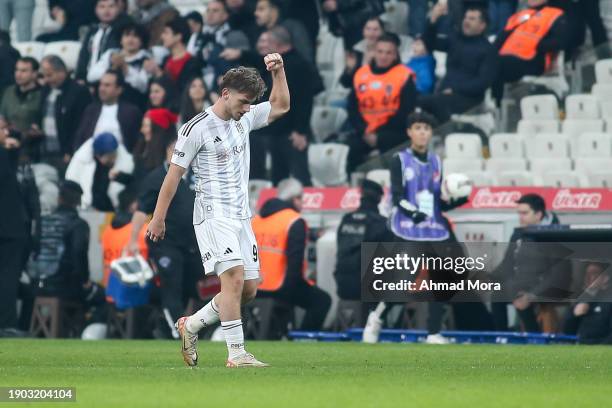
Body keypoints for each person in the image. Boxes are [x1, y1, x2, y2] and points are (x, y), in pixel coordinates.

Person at [146, 55, 290, 367]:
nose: (248, 108)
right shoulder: (195, 128)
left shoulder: (245, 118)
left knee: (248, 290)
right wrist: (158, 218)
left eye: (251, 103)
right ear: (225, 94)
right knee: (234, 279)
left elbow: (281, 106)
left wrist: (278, 72)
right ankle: (237, 354)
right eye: (244, 101)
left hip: (241, 215)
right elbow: (174, 175)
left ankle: (192, 325)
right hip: (213, 214)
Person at [363, 112, 490, 344]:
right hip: (407, 227)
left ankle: (433, 332)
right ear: (409, 132)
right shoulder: (399, 160)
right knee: (404, 280)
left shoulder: (436, 161)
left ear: (431, 133)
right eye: (418, 127)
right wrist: (413, 213)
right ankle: (376, 316)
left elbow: (436, 203)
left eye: (426, 128)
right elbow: (398, 196)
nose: (422, 132)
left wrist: (456, 201)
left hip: (435, 228)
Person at [126, 137, 201, 339]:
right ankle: (178, 333)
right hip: (166, 244)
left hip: (192, 245)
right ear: (169, 152)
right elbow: (142, 211)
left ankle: (163, 323)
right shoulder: (156, 178)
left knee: (190, 287)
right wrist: (132, 240)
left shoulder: (195, 177)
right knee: (172, 286)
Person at [237, 26, 317, 185]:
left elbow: (304, 101)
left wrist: (300, 131)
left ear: (277, 44)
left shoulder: (297, 65)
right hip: (276, 130)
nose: (265, 47)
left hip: (291, 133)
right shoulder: (276, 64)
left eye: (268, 43)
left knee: (299, 176)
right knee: (278, 176)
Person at [253, 178, 332, 332]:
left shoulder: (256, 220)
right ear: (294, 199)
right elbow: (294, 264)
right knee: (322, 301)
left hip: (253, 287)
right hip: (279, 286)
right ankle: (303, 338)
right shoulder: (294, 221)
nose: (302, 203)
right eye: (301, 198)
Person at [491, 193, 571, 333]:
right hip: (521, 284)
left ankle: (534, 337)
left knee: (520, 295)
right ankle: (501, 336)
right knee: (497, 293)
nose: (520, 217)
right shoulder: (518, 233)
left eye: (524, 213)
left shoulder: (556, 235)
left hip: (549, 287)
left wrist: (533, 294)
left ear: (538, 214)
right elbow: (507, 263)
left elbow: (559, 275)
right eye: (519, 213)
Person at [347, 33, 417, 172]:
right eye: (380, 52)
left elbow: (406, 111)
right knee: (351, 149)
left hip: (393, 131)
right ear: (374, 52)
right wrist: (364, 132)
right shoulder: (361, 74)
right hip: (365, 132)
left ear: (395, 55)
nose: (383, 56)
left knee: (393, 146)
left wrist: (377, 135)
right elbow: (352, 108)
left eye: (388, 52)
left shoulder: (404, 75)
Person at [419, 3, 497, 123]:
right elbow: (429, 43)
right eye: (465, 18)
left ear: (482, 25)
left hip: (469, 99)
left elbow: (483, 83)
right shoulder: (455, 39)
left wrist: (455, 89)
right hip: (444, 94)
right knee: (417, 102)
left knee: (434, 103)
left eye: (472, 19)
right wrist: (433, 21)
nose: (466, 21)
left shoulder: (488, 50)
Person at [492, 0, 568, 101]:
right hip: (507, 58)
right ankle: (495, 104)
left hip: (533, 60)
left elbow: (560, 41)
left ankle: (497, 105)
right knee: (488, 63)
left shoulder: (554, 14)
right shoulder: (518, 16)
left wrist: (537, 45)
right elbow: (501, 39)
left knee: (495, 66)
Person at [334, 179, 393, 302]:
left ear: (361, 194)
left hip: (342, 284)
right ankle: (381, 320)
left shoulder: (346, 219)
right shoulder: (381, 223)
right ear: (379, 199)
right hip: (368, 289)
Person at [39, 55, 92, 168]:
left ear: (62, 72)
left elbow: (81, 125)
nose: (46, 79)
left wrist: (70, 150)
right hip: (46, 150)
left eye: (49, 75)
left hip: (67, 154)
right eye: (44, 75)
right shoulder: (46, 89)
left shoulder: (79, 92)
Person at [0, 138, 30, 335]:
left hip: (9, 227)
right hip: (9, 228)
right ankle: (6, 324)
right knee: (8, 278)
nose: (7, 133)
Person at [87, 22, 152, 110]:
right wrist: (111, 67)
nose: (130, 40)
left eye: (135, 36)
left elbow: (143, 86)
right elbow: (91, 76)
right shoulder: (110, 54)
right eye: (127, 35)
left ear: (141, 41)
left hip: (131, 105)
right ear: (121, 40)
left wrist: (125, 68)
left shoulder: (146, 59)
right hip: (104, 103)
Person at [74, 70, 143, 152]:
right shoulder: (91, 110)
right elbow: (80, 137)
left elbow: (136, 141)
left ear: (119, 90)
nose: (101, 89)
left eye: (107, 85)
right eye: (101, 84)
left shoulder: (131, 112)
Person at [66, 132, 134, 211]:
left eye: (114, 155)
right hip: (88, 209)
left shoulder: (124, 165)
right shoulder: (83, 163)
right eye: (109, 157)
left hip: (112, 211)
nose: (113, 159)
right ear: (98, 156)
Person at [115, 107, 178, 188]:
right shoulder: (143, 149)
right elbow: (137, 182)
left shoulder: (170, 155)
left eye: (146, 126)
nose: (142, 130)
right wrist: (120, 177)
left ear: (157, 129)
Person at [198, 0, 251, 91]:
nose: (210, 14)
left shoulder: (236, 35)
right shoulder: (197, 37)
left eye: (215, 11)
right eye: (208, 10)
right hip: (201, 88)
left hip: (229, 88)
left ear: (225, 15)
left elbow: (246, 66)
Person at [101, 188, 148, 287]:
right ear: (133, 205)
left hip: (110, 287)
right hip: (135, 288)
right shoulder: (142, 229)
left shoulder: (107, 230)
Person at [145, 17, 203, 94]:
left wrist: (159, 74)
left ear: (178, 36)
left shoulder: (192, 63)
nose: (162, 36)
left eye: (166, 33)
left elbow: (185, 90)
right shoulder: (165, 60)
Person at [563, 263, 612, 344]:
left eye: (594, 273)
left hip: (601, 348)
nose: (589, 277)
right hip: (581, 345)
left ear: (605, 278)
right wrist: (573, 314)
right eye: (587, 274)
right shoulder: (583, 298)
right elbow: (567, 331)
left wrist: (599, 349)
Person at [75, 0, 123, 82]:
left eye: (111, 6)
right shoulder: (92, 31)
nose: (106, 11)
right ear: (96, 10)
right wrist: (80, 77)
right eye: (102, 7)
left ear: (118, 8)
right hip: (87, 79)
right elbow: (84, 55)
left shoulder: (122, 30)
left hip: (110, 79)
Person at [0, 57, 43, 142]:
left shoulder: (42, 94)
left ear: (34, 73)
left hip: (31, 143)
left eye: (23, 71)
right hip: (7, 139)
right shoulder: (9, 91)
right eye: (17, 70)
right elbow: (2, 117)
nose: (18, 74)